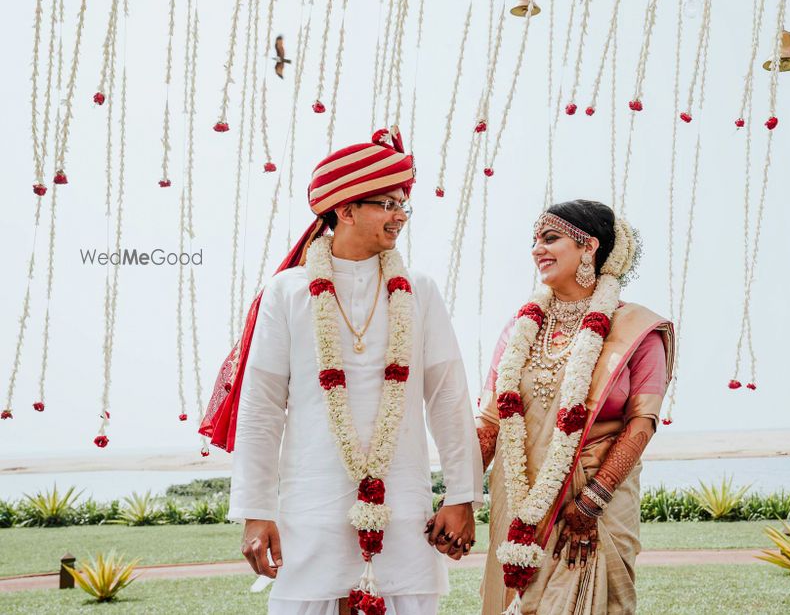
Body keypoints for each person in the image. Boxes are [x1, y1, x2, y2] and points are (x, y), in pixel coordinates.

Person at [200, 127, 482, 615]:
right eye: (387, 204)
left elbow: (448, 397)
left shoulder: (419, 290)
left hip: (403, 505)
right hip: (312, 508)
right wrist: (255, 512)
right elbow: (261, 408)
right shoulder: (286, 293)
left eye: (403, 204)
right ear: (345, 210)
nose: (400, 216)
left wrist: (461, 496)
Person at [476, 199, 674, 615]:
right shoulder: (519, 328)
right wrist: (456, 496)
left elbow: (641, 424)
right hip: (520, 499)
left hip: (594, 507)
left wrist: (591, 501)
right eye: (534, 240)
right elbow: (492, 421)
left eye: (550, 238)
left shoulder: (637, 329)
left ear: (590, 248)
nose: (536, 250)